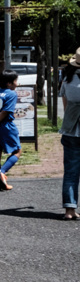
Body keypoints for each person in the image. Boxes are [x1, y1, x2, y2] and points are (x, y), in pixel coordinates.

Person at [59, 49, 80, 220]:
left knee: (71, 171)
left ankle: (70, 209)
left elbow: (65, 107)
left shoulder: (67, 79)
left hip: (71, 130)